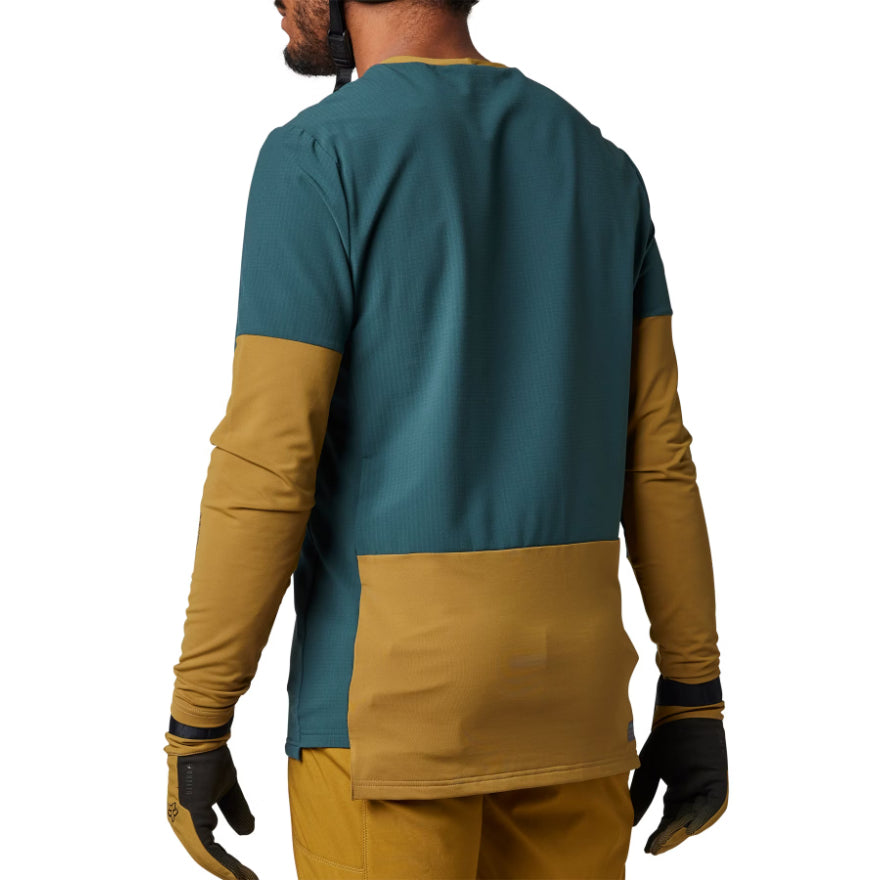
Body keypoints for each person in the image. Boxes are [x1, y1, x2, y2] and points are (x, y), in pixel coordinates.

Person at [163, 1, 729, 878]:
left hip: (392, 725)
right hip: (574, 711)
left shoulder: (318, 158)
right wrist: (694, 695)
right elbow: (657, 458)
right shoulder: (602, 168)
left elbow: (270, 462)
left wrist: (198, 716)